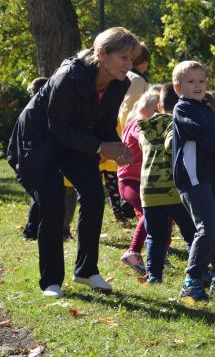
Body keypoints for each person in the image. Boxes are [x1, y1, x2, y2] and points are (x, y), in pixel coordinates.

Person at [8, 27, 140, 298]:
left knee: (93, 195)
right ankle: (51, 281)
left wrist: (117, 146)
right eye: (124, 58)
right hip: (39, 142)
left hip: (75, 140)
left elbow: (103, 122)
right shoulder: (68, 77)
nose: (129, 65)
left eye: (131, 59)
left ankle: (86, 271)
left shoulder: (120, 82)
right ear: (102, 54)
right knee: (53, 204)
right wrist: (100, 146)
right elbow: (57, 128)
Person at [171, 60, 215, 301]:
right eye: (191, 81)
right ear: (178, 86)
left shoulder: (204, 109)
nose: (198, 85)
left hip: (207, 178)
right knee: (208, 227)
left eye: (201, 81)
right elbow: (200, 134)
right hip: (191, 178)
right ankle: (193, 281)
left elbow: (214, 134)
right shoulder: (183, 109)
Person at [139, 84, 196, 284]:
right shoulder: (175, 123)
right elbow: (171, 145)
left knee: (155, 235)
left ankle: (154, 275)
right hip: (173, 189)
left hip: (149, 191)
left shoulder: (147, 127)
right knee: (191, 232)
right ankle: (198, 272)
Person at [118, 87, 162, 274]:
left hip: (140, 179)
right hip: (130, 179)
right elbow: (144, 138)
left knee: (157, 218)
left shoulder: (135, 120)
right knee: (151, 212)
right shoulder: (139, 124)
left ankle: (158, 254)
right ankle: (133, 252)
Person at [21, 77, 48, 241]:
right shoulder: (35, 111)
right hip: (36, 159)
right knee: (39, 197)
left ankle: (33, 229)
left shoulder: (33, 109)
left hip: (36, 159)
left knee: (38, 197)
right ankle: (31, 231)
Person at [118, 42, 151, 132]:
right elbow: (129, 108)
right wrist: (126, 132)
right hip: (126, 130)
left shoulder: (123, 74)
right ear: (144, 62)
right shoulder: (137, 80)